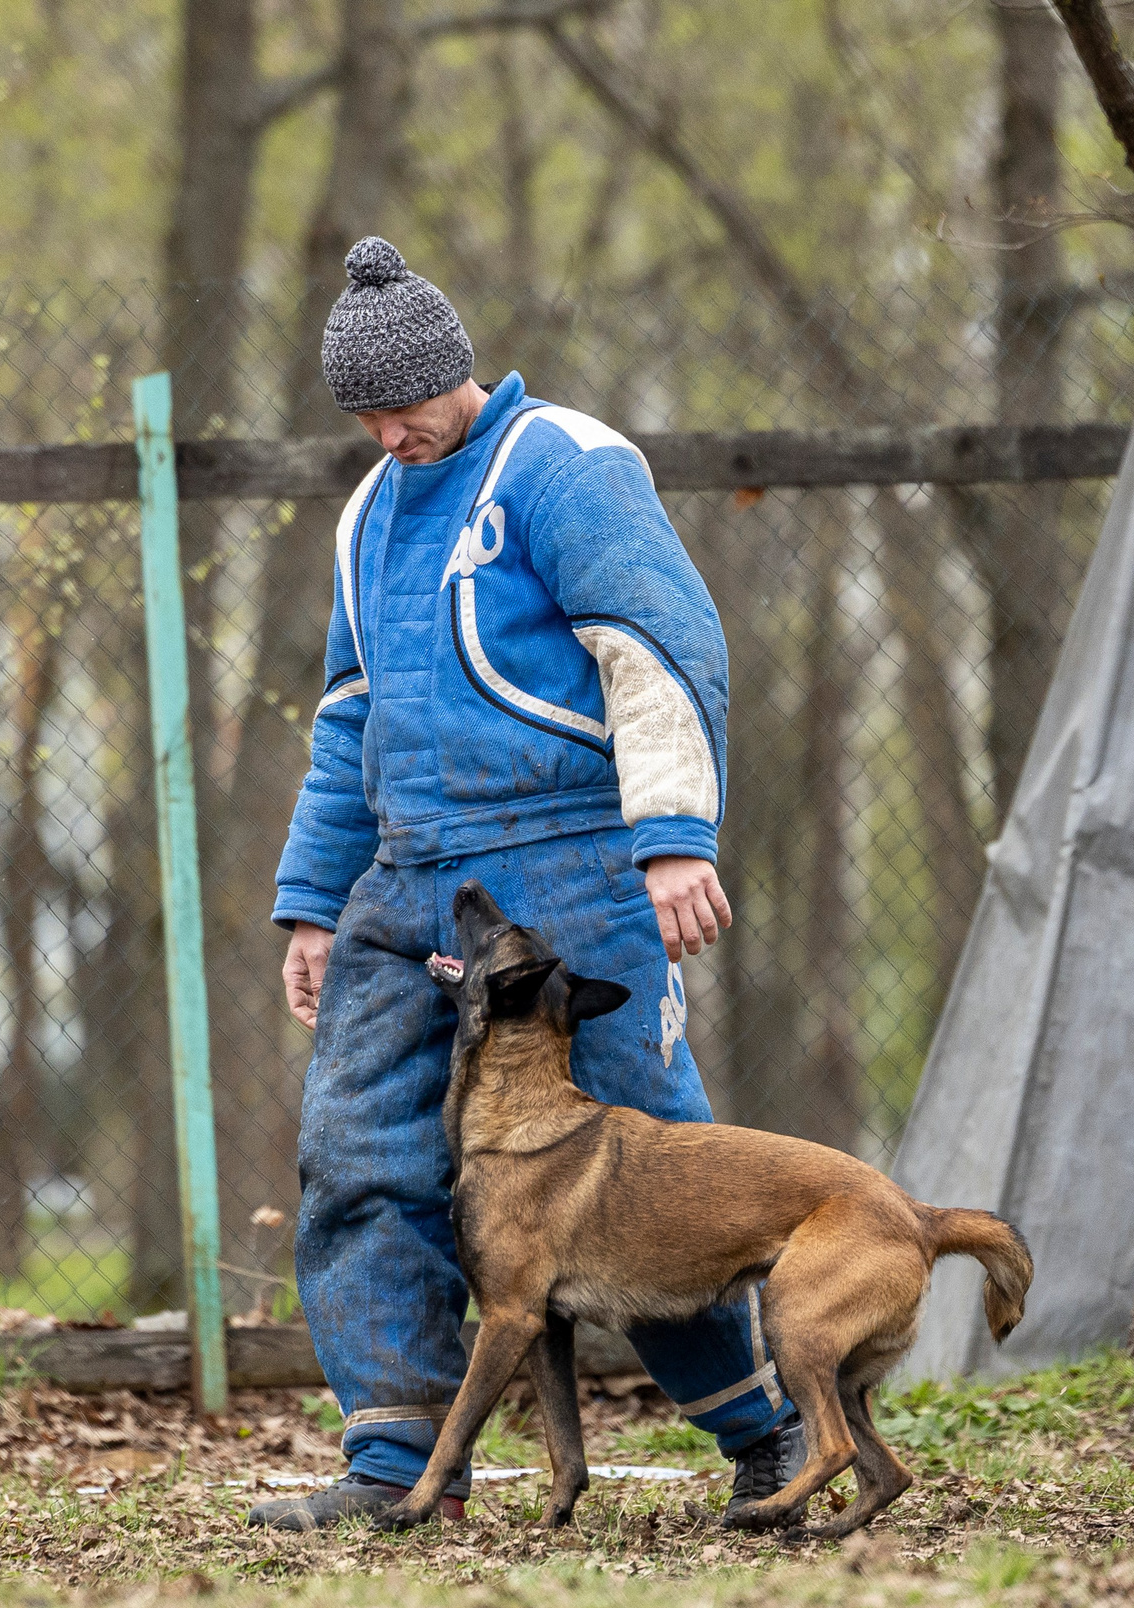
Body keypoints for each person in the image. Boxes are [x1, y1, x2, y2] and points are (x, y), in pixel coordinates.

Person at [246, 237, 802, 1531]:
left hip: (571, 857)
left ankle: (767, 1435)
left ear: (456, 373)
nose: (385, 434)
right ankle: (394, 1467)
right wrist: (314, 905)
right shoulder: (367, 514)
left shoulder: (563, 462)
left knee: (653, 1168)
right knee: (356, 1153)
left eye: (401, 407)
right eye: (363, 417)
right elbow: (350, 720)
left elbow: (659, 645)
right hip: (409, 873)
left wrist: (672, 838)